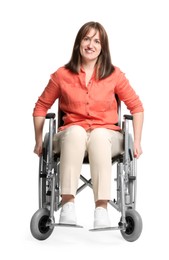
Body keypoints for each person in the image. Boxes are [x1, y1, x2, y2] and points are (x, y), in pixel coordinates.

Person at [33, 21, 144, 229]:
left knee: (100, 135)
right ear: (78, 43)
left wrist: (137, 141)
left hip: (107, 137)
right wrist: (39, 141)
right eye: (86, 39)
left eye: (96, 41)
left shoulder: (114, 75)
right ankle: (67, 205)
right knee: (75, 132)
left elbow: (136, 107)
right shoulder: (62, 75)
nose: (91, 44)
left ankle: (101, 209)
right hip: (70, 136)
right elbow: (41, 107)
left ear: (103, 47)